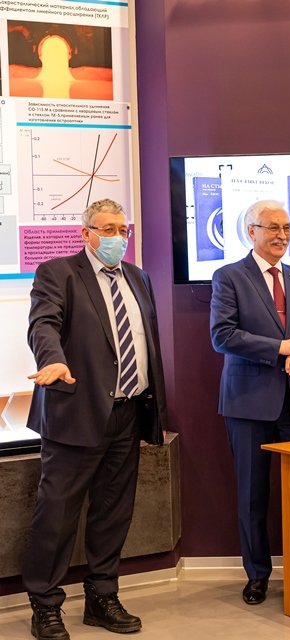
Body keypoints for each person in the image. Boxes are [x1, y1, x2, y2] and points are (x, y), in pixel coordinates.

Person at [22, 198, 167, 640]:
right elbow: (43, 324)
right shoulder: (59, 273)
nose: (117, 238)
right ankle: (45, 605)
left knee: (113, 512)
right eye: (107, 229)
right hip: (76, 413)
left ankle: (102, 597)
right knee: (57, 515)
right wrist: (52, 359)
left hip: (127, 412)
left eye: (123, 230)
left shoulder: (139, 278)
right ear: (86, 234)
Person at [210, 199, 290, 606]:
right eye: (272, 228)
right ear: (251, 231)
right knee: (253, 496)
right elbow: (223, 335)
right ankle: (257, 576)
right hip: (248, 404)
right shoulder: (229, 277)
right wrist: (283, 348)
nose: (282, 235)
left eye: (287, 228)